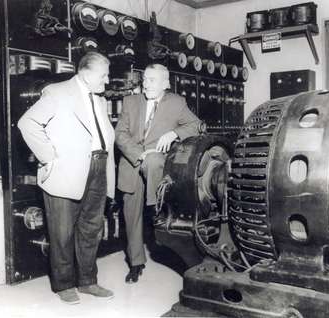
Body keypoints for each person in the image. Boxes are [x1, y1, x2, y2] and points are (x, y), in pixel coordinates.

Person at [18, 51, 115, 304]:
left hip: (98, 166)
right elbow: (27, 123)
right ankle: (63, 284)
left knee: (91, 229)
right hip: (65, 171)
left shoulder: (100, 100)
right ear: (87, 72)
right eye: (103, 75)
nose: (107, 80)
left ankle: (88, 281)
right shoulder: (57, 92)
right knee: (61, 232)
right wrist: (48, 157)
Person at [115, 63, 201, 283]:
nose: (147, 83)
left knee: (153, 163)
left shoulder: (177, 103)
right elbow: (120, 135)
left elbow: (197, 126)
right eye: (145, 79)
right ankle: (135, 263)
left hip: (156, 167)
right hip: (132, 164)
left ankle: (157, 210)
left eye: (153, 80)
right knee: (131, 217)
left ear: (166, 83)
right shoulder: (130, 102)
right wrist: (138, 154)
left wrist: (174, 133)